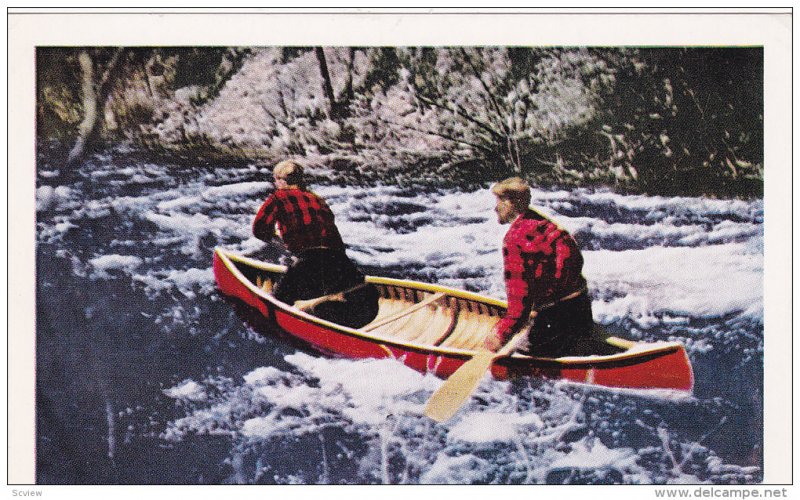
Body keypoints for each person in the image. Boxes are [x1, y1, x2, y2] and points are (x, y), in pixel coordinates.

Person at [483, 177, 611, 357]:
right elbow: (573, 261)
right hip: (582, 310)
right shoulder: (546, 225)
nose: (495, 208)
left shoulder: (514, 240)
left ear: (511, 203)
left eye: (499, 201)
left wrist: (499, 336)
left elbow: (519, 304)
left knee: (512, 353)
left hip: (554, 323)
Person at [252, 160, 379, 328]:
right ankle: (332, 315)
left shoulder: (279, 197)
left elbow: (259, 229)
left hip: (309, 261)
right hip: (338, 260)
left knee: (276, 305)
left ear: (281, 180)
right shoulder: (317, 199)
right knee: (359, 295)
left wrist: (279, 240)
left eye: (275, 180)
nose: (275, 184)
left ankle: (313, 317)